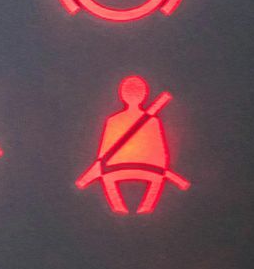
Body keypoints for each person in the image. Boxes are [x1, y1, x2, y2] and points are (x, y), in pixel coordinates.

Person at [76, 76, 188, 214]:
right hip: (152, 169)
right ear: (143, 96)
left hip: (113, 168)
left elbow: (103, 153)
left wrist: (100, 166)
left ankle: (119, 207)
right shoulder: (153, 122)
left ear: (122, 95)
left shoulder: (113, 120)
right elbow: (160, 152)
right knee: (157, 179)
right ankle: (146, 207)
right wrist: (163, 169)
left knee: (107, 177)